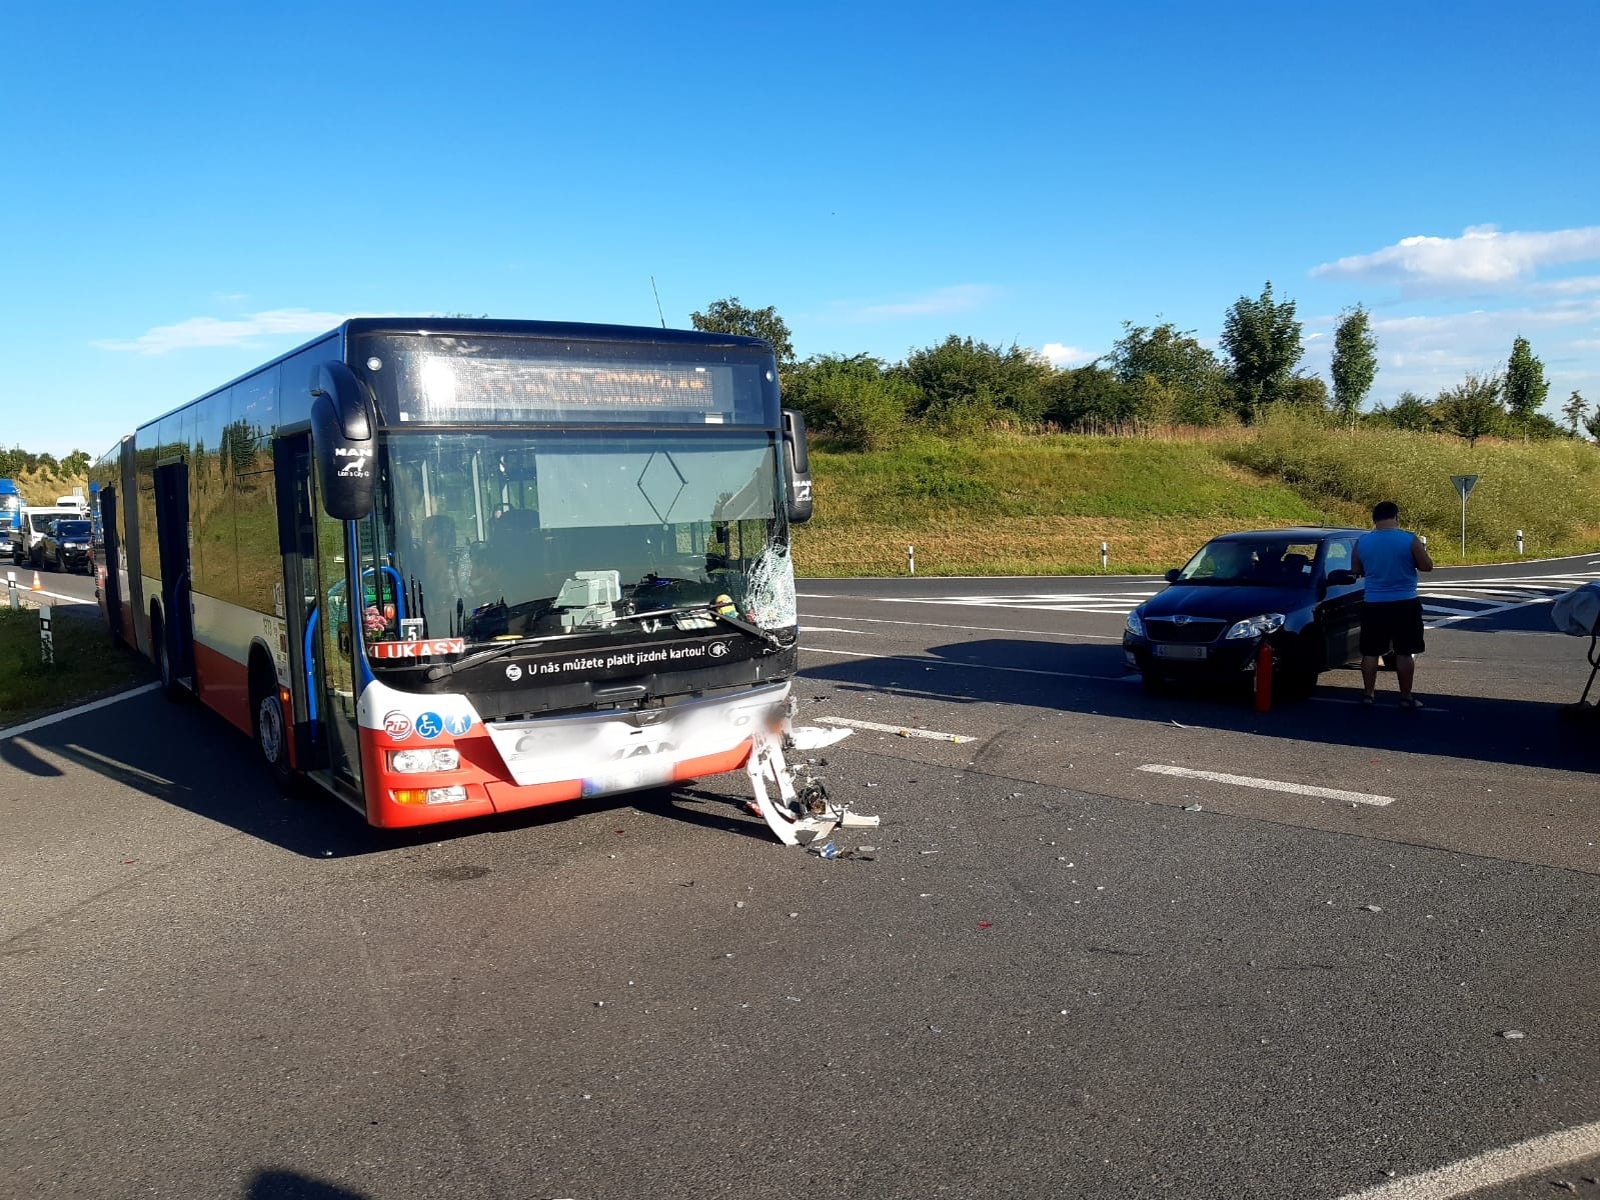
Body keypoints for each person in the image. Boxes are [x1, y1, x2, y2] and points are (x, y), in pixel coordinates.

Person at [1352, 500, 1434, 709]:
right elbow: (1427, 566)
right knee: (1404, 652)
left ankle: (1368, 694)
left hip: (1374, 603)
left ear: (1374, 519)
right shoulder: (1408, 539)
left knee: (1370, 652)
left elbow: (1356, 569)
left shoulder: (1362, 542)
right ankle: (1406, 697)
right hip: (1405, 602)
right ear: (1396, 517)